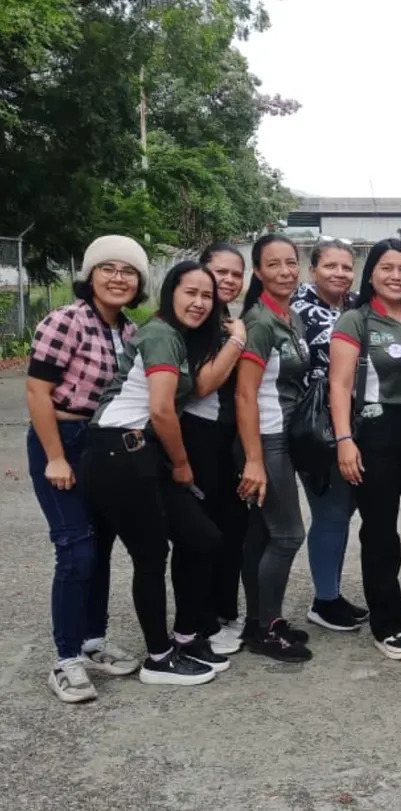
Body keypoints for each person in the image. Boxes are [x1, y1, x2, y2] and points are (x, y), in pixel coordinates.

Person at [82, 260, 226, 686]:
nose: (199, 303)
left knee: (203, 538)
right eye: (190, 293)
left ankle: (184, 636)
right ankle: (159, 658)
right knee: (151, 557)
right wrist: (182, 465)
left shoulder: (175, 337)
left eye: (207, 296)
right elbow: (162, 409)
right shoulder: (162, 334)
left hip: (142, 453)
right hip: (118, 452)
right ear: (170, 294)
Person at [26, 235, 147, 702]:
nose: (118, 278)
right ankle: (65, 658)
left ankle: (93, 640)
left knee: (100, 546)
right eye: (108, 268)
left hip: (104, 444)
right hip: (62, 438)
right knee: (75, 549)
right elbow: (38, 393)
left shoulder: (128, 332)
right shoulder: (66, 321)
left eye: (128, 272)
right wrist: (55, 455)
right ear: (90, 275)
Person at [329, 239, 401, 660]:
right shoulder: (355, 320)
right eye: (387, 268)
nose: (397, 276)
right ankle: (388, 621)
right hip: (375, 432)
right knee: (381, 530)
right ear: (372, 273)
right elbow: (340, 385)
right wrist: (345, 440)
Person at [235, 233, 313, 662]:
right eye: (274, 265)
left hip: (282, 435)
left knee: (264, 535)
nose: (285, 271)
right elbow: (245, 395)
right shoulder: (260, 323)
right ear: (259, 272)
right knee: (287, 535)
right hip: (265, 438)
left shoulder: (288, 316)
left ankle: (263, 619)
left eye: (291, 263)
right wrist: (253, 459)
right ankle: (265, 628)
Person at [289, 237, 370, 633]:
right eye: (330, 266)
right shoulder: (298, 311)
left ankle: (332, 593)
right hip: (317, 426)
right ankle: (324, 600)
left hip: (355, 420)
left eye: (346, 267)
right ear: (312, 269)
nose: (339, 273)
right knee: (330, 513)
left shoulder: (355, 305)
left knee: (342, 511)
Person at [180, 243, 250, 656]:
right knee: (200, 532)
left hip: (228, 439)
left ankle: (225, 612)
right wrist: (237, 342)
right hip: (196, 437)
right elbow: (203, 384)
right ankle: (196, 621)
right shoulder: (189, 324)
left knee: (233, 529)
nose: (227, 280)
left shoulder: (227, 320)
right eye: (218, 272)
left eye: (234, 274)